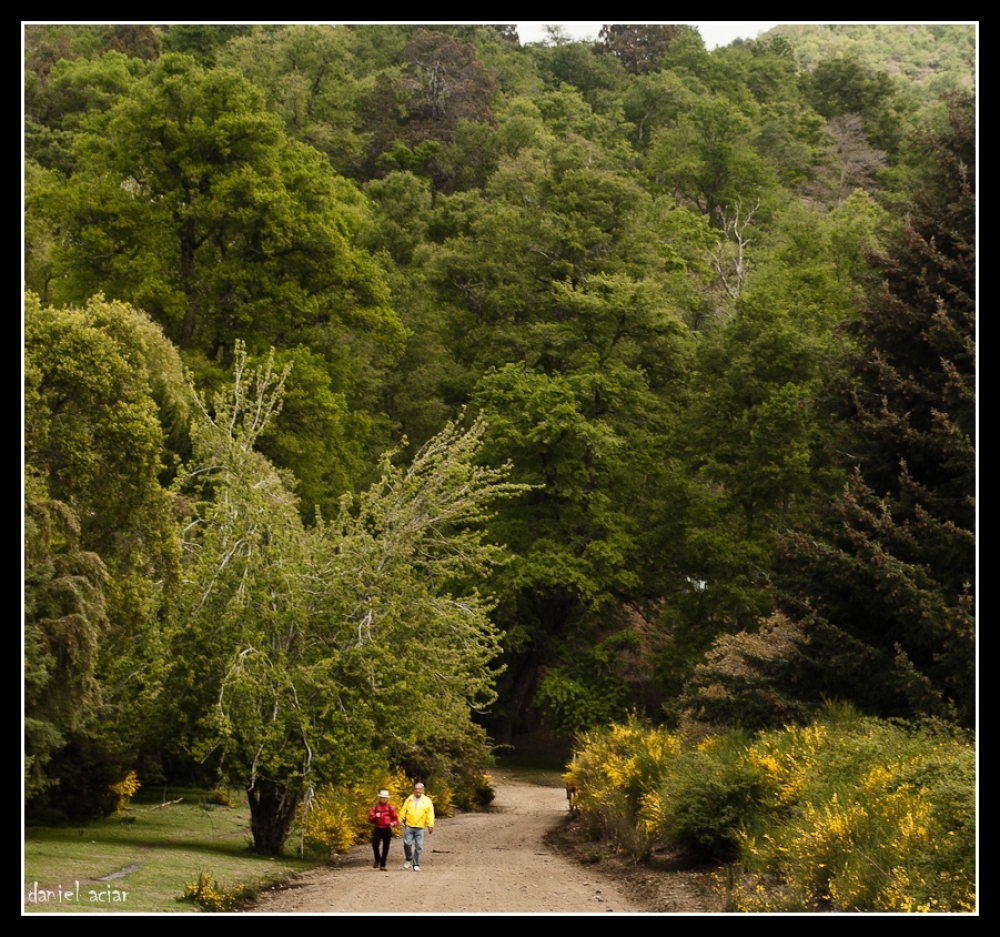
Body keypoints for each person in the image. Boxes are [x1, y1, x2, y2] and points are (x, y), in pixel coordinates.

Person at [398, 782, 434, 871]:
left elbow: (430, 814)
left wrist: (430, 824)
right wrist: (400, 820)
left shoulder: (427, 801)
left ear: (423, 790)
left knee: (419, 846)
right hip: (409, 825)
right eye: (416, 789)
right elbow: (403, 811)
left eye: (419, 789)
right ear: (414, 790)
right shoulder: (409, 799)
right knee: (407, 844)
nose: (417, 791)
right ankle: (408, 858)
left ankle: (416, 864)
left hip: (420, 827)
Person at [368, 789, 400, 871]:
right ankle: (377, 858)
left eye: (385, 798)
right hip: (378, 828)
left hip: (387, 829)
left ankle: (383, 864)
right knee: (375, 844)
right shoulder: (375, 808)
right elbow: (370, 819)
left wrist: (393, 823)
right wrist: (375, 816)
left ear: (387, 799)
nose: (383, 799)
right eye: (382, 797)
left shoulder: (390, 808)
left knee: (386, 847)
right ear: (380, 798)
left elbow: (396, 819)